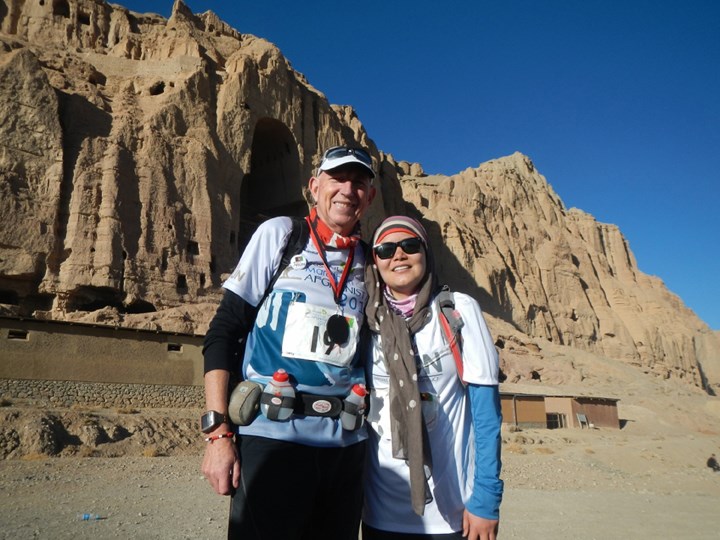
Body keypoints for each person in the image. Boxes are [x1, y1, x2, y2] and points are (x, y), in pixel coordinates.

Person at [201, 146, 377, 539]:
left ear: (370, 197)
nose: (348, 189)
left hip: (346, 451)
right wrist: (218, 434)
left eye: (359, 182)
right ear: (315, 187)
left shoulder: (370, 262)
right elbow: (224, 331)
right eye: (337, 179)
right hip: (273, 440)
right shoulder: (282, 236)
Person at [362, 216, 503, 540]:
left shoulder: (459, 311)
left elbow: (486, 416)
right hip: (380, 513)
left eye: (409, 246)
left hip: (452, 515)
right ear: (375, 262)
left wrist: (486, 499)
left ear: (425, 253)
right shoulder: (367, 322)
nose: (398, 255)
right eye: (385, 249)